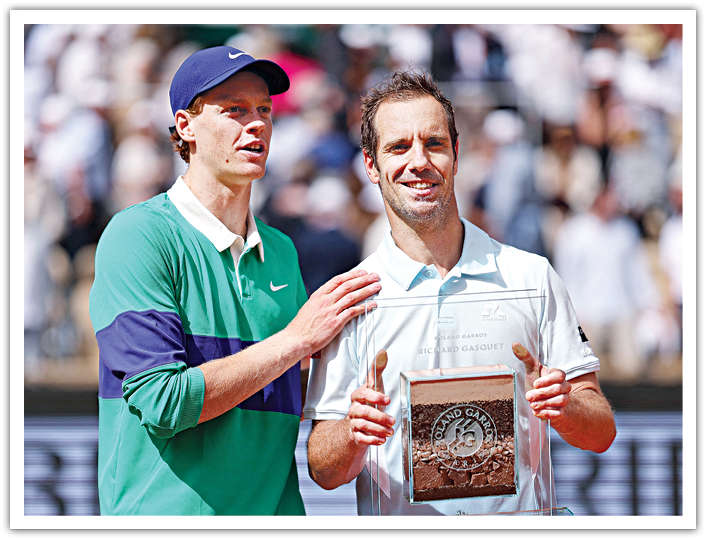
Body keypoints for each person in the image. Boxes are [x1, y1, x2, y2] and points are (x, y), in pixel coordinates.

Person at [303, 71, 616, 515]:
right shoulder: (350, 297)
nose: (418, 161)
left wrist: (566, 407)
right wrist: (353, 431)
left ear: (456, 154)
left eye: (433, 143)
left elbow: (601, 433)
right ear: (371, 165)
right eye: (398, 147)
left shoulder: (532, 278)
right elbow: (324, 470)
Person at [88, 46, 380, 515]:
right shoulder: (137, 234)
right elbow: (164, 403)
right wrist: (296, 341)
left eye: (264, 110)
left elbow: (287, 387)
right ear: (185, 126)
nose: (257, 123)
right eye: (235, 110)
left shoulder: (282, 251)